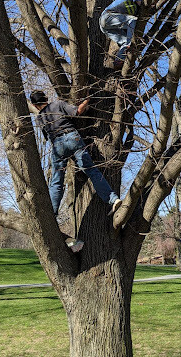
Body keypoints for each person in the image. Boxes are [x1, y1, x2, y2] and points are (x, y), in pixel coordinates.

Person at [30, 91, 122, 248]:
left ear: (34, 105)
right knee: (92, 171)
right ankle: (113, 199)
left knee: (57, 181)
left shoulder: (40, 118)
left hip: (57, 145)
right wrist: (87, 100)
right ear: (46, 99)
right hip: (73, 138)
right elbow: (77, 111)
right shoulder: (58, 104)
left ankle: (53, 213)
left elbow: (47, 136)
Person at [99, 0, 144, 68]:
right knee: (132, 20)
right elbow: (143, 5)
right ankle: (129, 45)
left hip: (106, 27)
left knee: (125, 41)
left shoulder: (133, 6)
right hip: (108, 17)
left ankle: (119, 60)